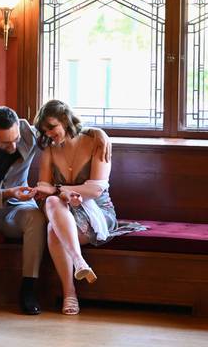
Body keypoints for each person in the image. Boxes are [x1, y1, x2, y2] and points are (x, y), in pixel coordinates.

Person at [0, 105, 112, 316]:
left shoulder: (28, 132)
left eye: (16, 139)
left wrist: (99, 133)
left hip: (17, 209)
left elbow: (59, 122)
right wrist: (9, 192)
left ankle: (28, 290)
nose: (13, 145)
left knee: (37, 218)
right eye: (6, 142)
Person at [32, 99, 133, 315]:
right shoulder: (49, 150)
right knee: (51, 202)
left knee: (53, 229)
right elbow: (43, 187)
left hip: (97, 208)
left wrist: (58, 189)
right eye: (44, 130)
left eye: (52, 127)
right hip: (63, 209)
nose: (48, 133)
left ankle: (70, 293)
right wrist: (58, 193)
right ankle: (78, 264)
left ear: (65, 121)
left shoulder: (96, 142)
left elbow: (96, 190)